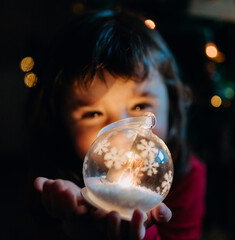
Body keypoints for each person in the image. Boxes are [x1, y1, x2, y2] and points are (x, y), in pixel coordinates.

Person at [26, 8, 206, 240]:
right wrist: (76, 230)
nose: (122, 134)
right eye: (93, 113)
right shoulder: (57, 189)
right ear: (60, 120)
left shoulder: (187, 176)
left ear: (170, 101)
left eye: (140, 106)